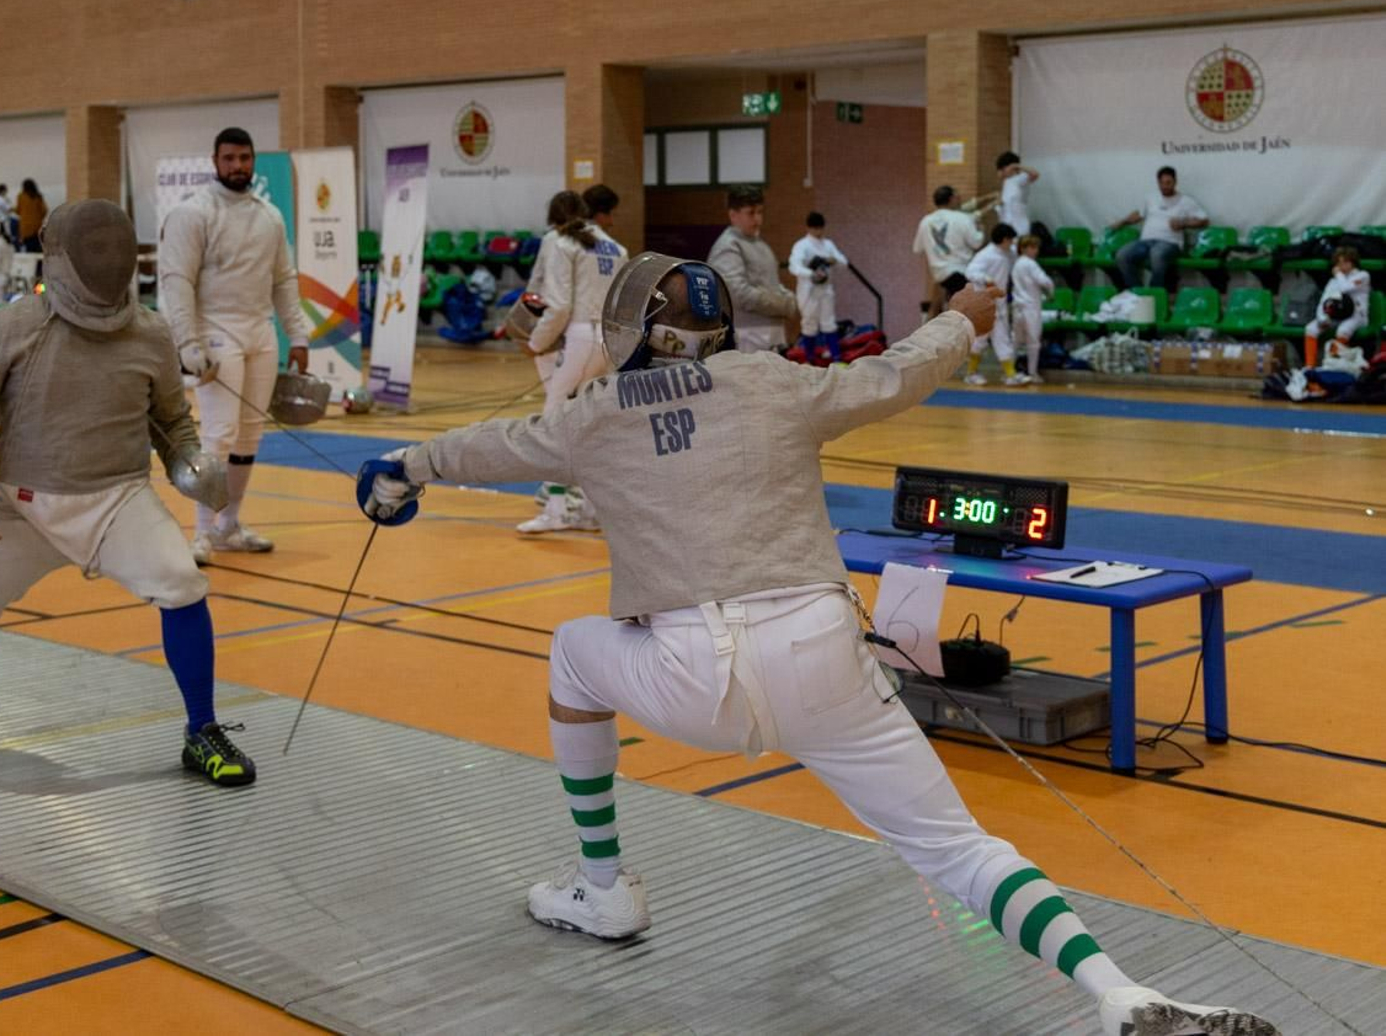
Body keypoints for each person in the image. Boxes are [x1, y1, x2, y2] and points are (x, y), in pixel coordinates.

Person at [355, 254, 1278, 1036]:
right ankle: (1120, 994)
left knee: (571, 650)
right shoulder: (775, 383)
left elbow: (483, 445)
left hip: (689, 676)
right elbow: (900, 371)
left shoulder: (588, 416)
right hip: (823, 653)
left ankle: (604, 889)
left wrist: (400, 471)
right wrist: (961, 318)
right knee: (957, 846)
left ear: (633, 328)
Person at [0, 199, 255, 787]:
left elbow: (171, 423)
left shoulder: (150, 332)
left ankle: (202, 729)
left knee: (179, 581)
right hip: (19, 511)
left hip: (115, 501)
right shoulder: (14, 326)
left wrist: (191, 461)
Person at [159, 126, 310, 565]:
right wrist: (187, 342)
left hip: (259, 332)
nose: (237, 166)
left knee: (250, 434)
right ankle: (203, 531)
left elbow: (283, 279)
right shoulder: (195, 213)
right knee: (219, 433)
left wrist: (296, 334)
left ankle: (229, 526)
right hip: (214, 332)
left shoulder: (269, 216)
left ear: (253, 161)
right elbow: (177, 281)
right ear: (215, 161)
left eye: (244, 158)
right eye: (229, 159)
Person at [518, 190, 625, 534]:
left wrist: (536, 343)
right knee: (592, 423)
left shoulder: (559, 242)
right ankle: (594, 510)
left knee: (555, 423)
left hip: (580, 338)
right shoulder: (614, 246)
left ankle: (557, 510)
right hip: (609, 340)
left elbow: (559, 304)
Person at [707, 184, 798, 352]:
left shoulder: (761, 245)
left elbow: (773, 285)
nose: (757, 219)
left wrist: (788, 298)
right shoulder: (728, 246)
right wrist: (784, 305)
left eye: (760, 212)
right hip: (748, 336)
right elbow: (738, 294)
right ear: (733, 215)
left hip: (772, 337)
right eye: (751, 213)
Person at [1112, 166, 1207, 292]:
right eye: (1161, 183)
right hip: (1146, 242)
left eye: (1168, 183)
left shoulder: (1186, 201)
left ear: (1175, 182)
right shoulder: (1150, 198)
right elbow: (1139, 214)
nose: (1164, 186)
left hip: (1170, 243)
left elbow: (1204, 220)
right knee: (1122, 255)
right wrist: (1123, 221)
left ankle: (1154, 293)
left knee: (1157, 254)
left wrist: (1183, 223)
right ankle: (1137, 292)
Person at [913, 185, 985, 317]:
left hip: (939, 274)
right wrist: (980, 228)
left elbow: (917, 248)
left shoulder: (926, 221)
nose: (960, 200)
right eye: (958, 197)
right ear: (951, 199)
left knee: (941, 309)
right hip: (962, 272)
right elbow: (976, 242)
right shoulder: (962, 218)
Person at [787, 211, 849, 363]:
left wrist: (833, 260)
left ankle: (836, 358)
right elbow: (794, 266)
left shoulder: (828, 244)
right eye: (815, 228)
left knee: (829, 322)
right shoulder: (802, 245)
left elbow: (844, 262)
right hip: (808, 291)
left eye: (820, 228)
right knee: (809, 324)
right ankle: (810, 359)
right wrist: (811, 273)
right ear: (809, 228)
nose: (818, 231)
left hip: (826, 290)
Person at [963, 223, 1017, 385]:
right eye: (1010, 240)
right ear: (1004, 239)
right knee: (980, 339)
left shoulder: (1007, 253)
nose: (1012, 243)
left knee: (1002, 338)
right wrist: (986, 280)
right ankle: (970, 374)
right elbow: (970, 271)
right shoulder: (986, 255)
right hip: (984, 304)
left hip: (998, 304)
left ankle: (1010, 375)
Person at [1304, 246, 1371, 369]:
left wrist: (1338, 274)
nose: (1342, 266)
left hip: (1356, 315)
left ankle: (1330, 365)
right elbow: (1325, 301)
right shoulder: (1333, 281)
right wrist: (1322, 318)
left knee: (1343, 330)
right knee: (1311, 329)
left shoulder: (1362, 276)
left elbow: (1345, 288)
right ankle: (1309, 366)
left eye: (1345, 262)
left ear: (1353, 262)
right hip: (1336, 315)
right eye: (1339, 263)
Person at [1009, 234, 1056, 385]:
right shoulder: (1031, 264)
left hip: (1018, 307)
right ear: (1023, 248)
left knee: (1016, 341)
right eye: (1031, 247)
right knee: (1033, 342)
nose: (1034, 250)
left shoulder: (1016, 264)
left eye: (1036, 247)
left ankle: (1009, 372)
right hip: (1030, 308)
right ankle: (1032, 372)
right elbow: (1044, 281)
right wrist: (1050, 292)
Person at [996, 152, 1040, 237]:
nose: (1002, 172)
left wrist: (1016, 166)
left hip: (1019, 226)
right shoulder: (1006, 182)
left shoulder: (1020, 178)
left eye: (1003, 169)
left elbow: (1035, 174)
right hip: (1007, 226)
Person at [17, 179, 48, 253]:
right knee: (38, 249)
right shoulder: (38, 196)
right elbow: (44, 210)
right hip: (37, 227)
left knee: (29, 250)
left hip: (26, 228)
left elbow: (18, 210)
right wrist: (38, 218)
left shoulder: (21, 196)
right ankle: (39, 264)